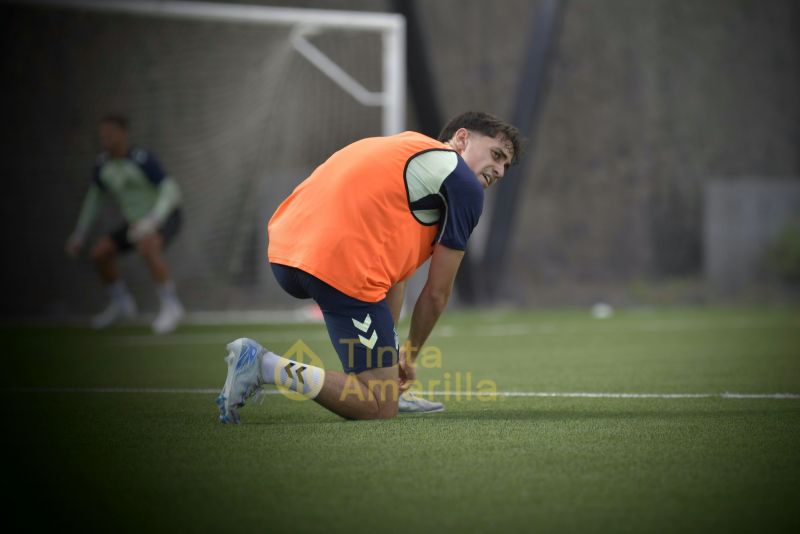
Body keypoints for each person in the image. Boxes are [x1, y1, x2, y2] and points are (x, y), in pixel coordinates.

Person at [217, 111, 520, 422]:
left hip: (284, 250)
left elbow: (395, 274)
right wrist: (410, 355)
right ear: (462, 138)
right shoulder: (464, 184)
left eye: (505, 166)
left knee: (384, 355)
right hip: (337, 262)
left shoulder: (409, 145)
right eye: (496, 155)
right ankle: (263, 365)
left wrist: (389, 360)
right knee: (378, 405)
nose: (499, 170)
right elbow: (436, 294)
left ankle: (385, 382)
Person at [65, 115, 185, 334]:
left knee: (148, 246)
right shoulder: (103, 166)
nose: (106, 138)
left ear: (123, 134)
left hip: (164, 217)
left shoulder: (141, 159)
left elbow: (171, 191)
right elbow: (94, 200)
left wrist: (153, 221)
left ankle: (171, 305)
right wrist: (80, 233)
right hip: (134, 224)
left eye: (110, 133)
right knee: (99, 253)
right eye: (102, 134)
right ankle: (121, 304)